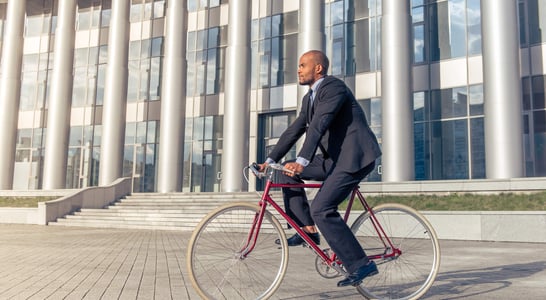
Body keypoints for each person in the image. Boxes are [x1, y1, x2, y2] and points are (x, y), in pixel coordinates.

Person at [258, 50, 382, 287]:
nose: (298, 69)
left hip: (353, 158)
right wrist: (270, 160)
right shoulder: (309, 98)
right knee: (286, 171)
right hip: (332, 161)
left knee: (322, 208)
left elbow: (319, 124)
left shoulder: (334, 88)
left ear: (318, 68)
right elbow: (295, 129)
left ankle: (360, 263)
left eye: (303, 65)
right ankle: (307, 229)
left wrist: (303, 160)